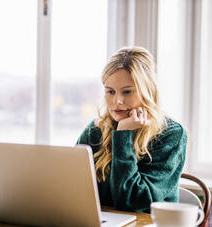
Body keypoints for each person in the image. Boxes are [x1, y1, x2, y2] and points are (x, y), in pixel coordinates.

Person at [77, 47, 187, 213]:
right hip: (100, 224)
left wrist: (123, 135)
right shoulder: (95, 129)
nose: (117, 101)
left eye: (127, 91)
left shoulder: (171, 134)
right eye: (110, 92)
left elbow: (132, 202)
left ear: (147, 91)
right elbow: (72, 184)